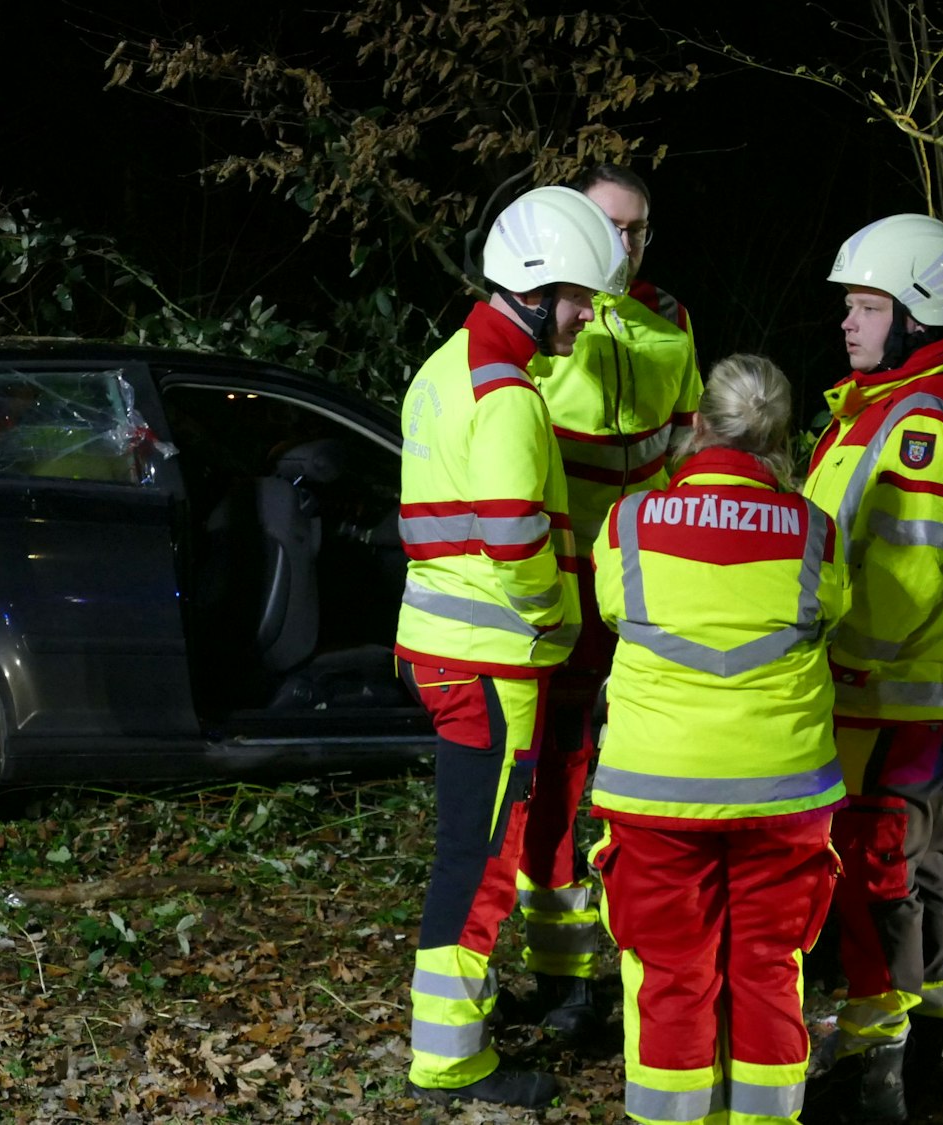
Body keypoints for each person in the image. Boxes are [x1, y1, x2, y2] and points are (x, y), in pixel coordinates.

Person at [395, 184, 629, 1107]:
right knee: (481, 857)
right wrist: (558, 619)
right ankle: (450, 1059)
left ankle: (453, 1038)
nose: (586, 315)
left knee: (472, 846)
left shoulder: (444, 369)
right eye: (578, 298)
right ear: (534, 290)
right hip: (492, 662)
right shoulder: (508, 395)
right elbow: (513, 534)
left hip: (444, 648)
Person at [589, 354, 850, 1125]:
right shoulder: (816, 530)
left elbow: (611, 606)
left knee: (672, 970)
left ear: (699, 423)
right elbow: (834, 610)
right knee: (768, 967)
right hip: (784, 791)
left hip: (657, 788)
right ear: (780, 440)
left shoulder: (629, 521)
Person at [801, 214, 943, 1122]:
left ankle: (875, 1062)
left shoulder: (918, 422)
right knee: (918, 863)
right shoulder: (898, 406)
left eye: (868, 306)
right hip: (915, 692)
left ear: (918, 316)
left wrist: (832, 658)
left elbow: (902, 579)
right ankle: (937, 1031)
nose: (849, 320)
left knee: (870, 867)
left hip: (886, 691)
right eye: (849, 304)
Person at [513, 163, 707, 1032]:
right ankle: (560, 969)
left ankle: (654, 955)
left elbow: (690, 450)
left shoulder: (672, 322)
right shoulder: (549, 321)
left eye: (636, 229)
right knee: (558, 769)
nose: (623, 244)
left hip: (651, 588)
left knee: (651, 769)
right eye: (608, 226)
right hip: (565, 583)